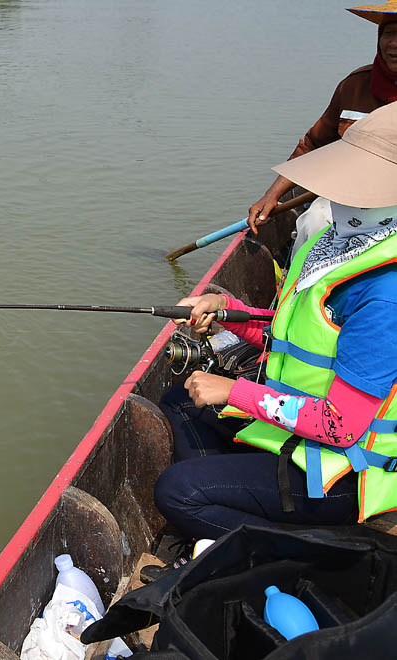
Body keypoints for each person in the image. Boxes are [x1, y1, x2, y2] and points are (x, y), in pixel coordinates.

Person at [154, 102, 397, 543]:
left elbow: (341, 425)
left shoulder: (386, 294)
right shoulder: (334, 243)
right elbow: (295, 335)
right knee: (179, 399)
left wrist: (234, 391)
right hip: (293, 428)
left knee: (177, 493)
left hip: (341, 471)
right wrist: (229, 312)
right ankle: (230, 508)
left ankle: (306, 548)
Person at [247, 3, 397, 239]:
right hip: (345, 197)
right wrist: (271, 195)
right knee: (314, 221)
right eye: (389, 33)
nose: (394, 44)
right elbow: (312, 145)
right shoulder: (354, 86)